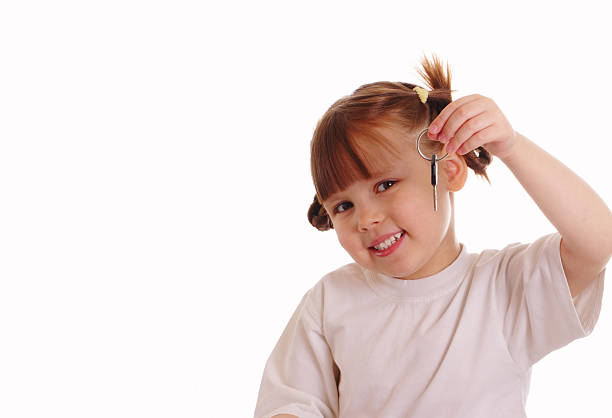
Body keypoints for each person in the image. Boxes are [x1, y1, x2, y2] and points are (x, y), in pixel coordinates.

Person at [253, 53, 611, 418]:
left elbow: (597, 241)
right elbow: (290, 401)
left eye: (385, 184)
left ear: (451, 171)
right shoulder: (331, 301)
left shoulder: (503, 288)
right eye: (343, 206)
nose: (366, 219)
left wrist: (511, 146)